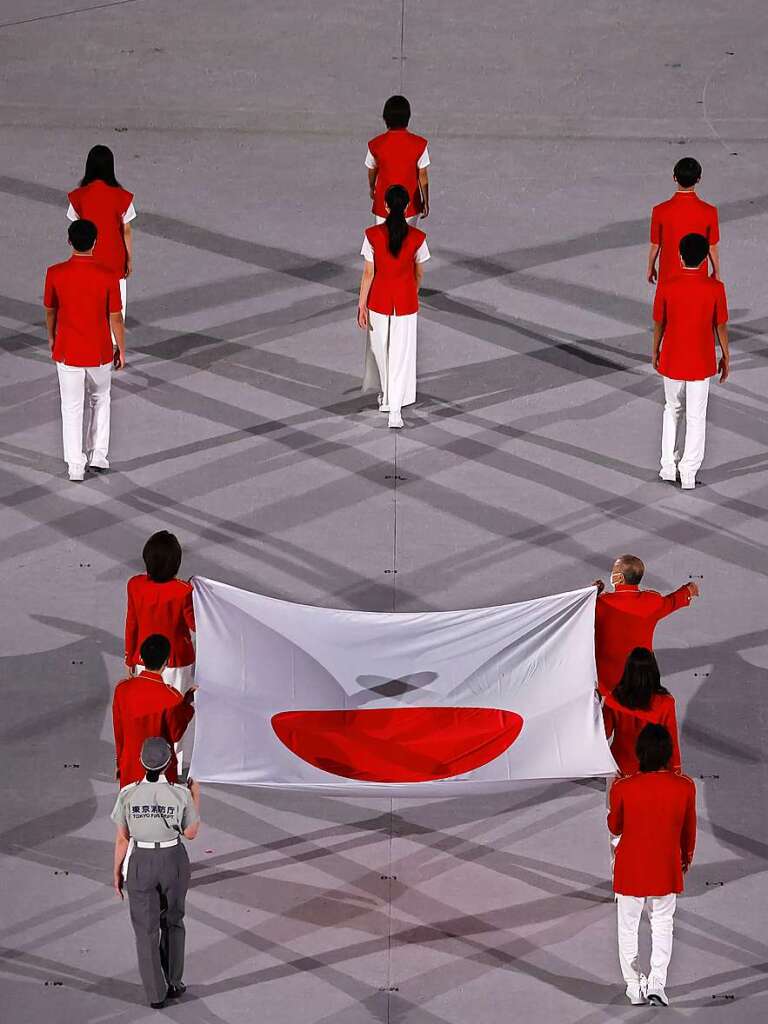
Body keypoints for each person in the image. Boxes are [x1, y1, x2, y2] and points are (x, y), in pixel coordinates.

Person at [608, 724, 697, 1007]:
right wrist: (685, 858)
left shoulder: (624, 787)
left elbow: (615, 825)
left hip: (630, 868)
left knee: (628, 927)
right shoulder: (685, 787)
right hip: (665, 866)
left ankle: (634, 987)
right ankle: (658, 982)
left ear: (640, 753)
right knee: (662, 924)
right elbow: (689, 830)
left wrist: (614, 792)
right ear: (668, 753)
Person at [112, 737, 200, 1008]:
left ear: (141, 762)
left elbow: (122, 839)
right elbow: (191, 833)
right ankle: (174, 982)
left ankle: (155, 994)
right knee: (173, 920)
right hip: (173, 859)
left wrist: (117, 872)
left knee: (145, 930)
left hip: (141, 861)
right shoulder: (179, 793)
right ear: (168, 763)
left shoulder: (128, 793)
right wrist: (195, 794)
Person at [43, 219, 125, 481]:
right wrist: (120, 348)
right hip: (99, 351)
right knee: (100, 398)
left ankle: (75, 466)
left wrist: (52, 338)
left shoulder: (55, 273)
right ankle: (98, 455)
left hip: (68, 350)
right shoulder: (108, 275)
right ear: (96, 242)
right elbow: (116, 317)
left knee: (71, 406)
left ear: (69, 242)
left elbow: (50, 311)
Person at [653, 232, 730, 489]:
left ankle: (667, 466)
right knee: (697, 415)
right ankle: (688, 473)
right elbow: (720, 326)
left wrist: (655, 351)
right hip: (701, 360)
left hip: (672, 357)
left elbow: (659, 322)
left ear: (679, 256)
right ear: (706, 258)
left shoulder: (667, 285)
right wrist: (726, 356)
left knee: (672, 408)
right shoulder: (715, 288)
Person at [358, 184, 430, 428]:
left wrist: (361, 304)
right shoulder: (418, 238)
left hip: (378, 300)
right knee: (401, 354)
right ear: (408, 207)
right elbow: (419, 273)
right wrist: (410, 291)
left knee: (381, 352)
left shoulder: (372, 235)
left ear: (386, 206)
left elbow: (368, 273)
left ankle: (388, 399)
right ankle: (395, 410)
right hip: (406, 303)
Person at [593, 555, 698, 696]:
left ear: (619, 578)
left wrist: (591, 594)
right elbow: (671, 602)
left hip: (605, 681)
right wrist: (688, 590)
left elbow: (578, 613)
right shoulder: (652, 601)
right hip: (641, 679)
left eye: (614, 570)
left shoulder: (600, 603)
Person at [112, 635, 197, 787]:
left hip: (130, 768)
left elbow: (119, 732)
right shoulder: (172, 698)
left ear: (141, 658)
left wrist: (120, 763)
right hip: (162, 773)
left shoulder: (122, 690)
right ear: (167, 661)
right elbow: (176, 734)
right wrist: (187, 706)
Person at [67, 144, 135, 318]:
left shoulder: (79, 196)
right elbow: (126, 230)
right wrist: (128, 259)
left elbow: (75, 232)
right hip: (114, 258)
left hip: (87, 259)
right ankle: (113, 343)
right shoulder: (122, 196)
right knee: (115, 307)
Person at [125, 531, 196, 693]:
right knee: (176, 710)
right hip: (177, 662)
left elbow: (131, 624)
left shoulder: (134, 585)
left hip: (144, 661)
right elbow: (195, 625)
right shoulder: (183, 591)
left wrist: (129, 659)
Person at [603, 648, 681, 777]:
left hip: (619, 768)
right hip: (652, 771)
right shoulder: (666, 703)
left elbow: (603, 733)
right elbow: (671, 742)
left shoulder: (613, 699)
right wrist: (675, 772)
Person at [647, 157, 719, 284]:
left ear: (674, 178)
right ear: (698, 179)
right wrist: (716, 271)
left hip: (668, 276)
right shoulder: (709, 211)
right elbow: (712, 247)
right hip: (697, 275)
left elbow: (655, 245)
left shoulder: (660, 211)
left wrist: (650, 267)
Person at [366, 95, 430, 226]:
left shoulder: (375, 145)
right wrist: (426, 201)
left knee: (382, 240)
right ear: (408, 118)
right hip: (411, 205)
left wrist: (372, 188)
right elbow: (423, 177)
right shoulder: (420, 144)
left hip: (383, 204)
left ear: (385, 118)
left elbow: (372, 170)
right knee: (408, 241)